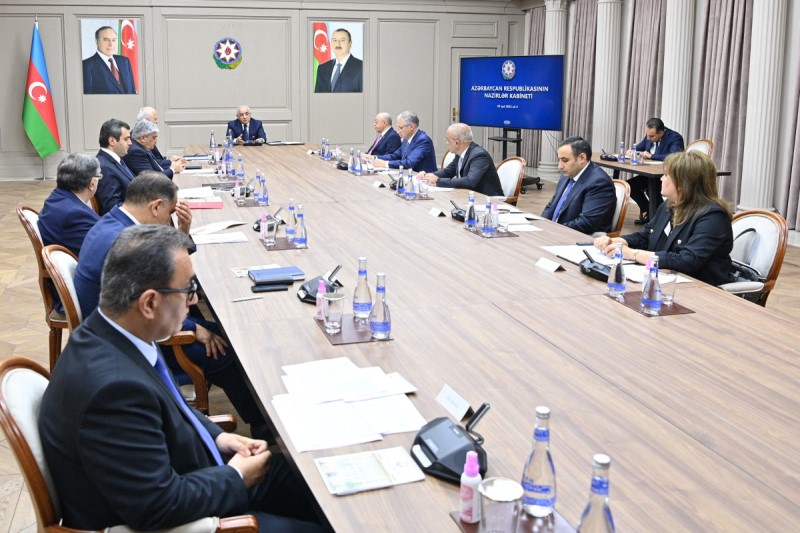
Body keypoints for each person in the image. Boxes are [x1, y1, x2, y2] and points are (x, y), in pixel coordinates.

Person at [39, 224, 324, 533]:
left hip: (191, 474)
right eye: (188, 289)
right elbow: (158, 506)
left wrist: (218, 438)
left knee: (314, 481)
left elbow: (172, 405)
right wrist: (237, 477)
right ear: (149, 303)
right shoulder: (114, 391)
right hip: (177, 517)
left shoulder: (117, 333)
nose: (194, 299)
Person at [73, 172, 268, 437]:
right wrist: (193, 328)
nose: (170, 220)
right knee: (225, 347)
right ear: (156, 206)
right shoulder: (127, 242)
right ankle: (264, 427)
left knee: (222, 331)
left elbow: (158, 275)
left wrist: (182, 233)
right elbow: (145, 307)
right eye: (171, 213)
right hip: (132, 345)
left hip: (116, 330)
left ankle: (260, 418)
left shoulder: (113, 223)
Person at [595, 151, 733, 286]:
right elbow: (646, 236)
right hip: (665, 281)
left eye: (666, 175)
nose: (661, 179)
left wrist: (632, 254)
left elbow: (687, 261)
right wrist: (618, 242)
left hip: (701, 289)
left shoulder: (713, 217)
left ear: (683, 183)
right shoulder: (669, 205)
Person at [541, 136, 616, 234]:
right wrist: (541, 225)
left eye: (565, 160)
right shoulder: (566, 175)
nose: (560, 166)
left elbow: (586, 223)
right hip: (556, 232)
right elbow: (551, 206)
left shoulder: (599, 182)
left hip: (579, 237)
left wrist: (553, 229)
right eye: (559, 160)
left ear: (582, 158)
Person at [38, 153, 101, 256]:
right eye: (99, 176)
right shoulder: (75, 214)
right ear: (92, 184)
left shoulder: (56, 197)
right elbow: (99, 251)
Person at [418, 123, 503, 197]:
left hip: (488, 201)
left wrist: (438, 181)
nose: (446, 143)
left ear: (456, 143)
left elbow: (470, 181)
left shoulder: (479, 156)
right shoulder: (460, 154)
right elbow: (448, 171)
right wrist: (429, 176)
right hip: (469, 196)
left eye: (447, 140)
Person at [627, 117, 685, 224]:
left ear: (661, 133)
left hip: (667, 176)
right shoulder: (649, 136)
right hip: (650, 174)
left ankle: (660, 220)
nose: (648, 138)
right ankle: (652, 215)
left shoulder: (675, 138)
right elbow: (639, 147)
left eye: (652, 136)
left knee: (653, 188)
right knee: (629, 186)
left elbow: (675, 156)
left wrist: (652, 156)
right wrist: (631, 151)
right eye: (647, 135)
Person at [369, 111, 438, 173]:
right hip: (408, 175)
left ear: (411, 127)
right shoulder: (406, 139)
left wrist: (385, 164)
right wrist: (374, 158)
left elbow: (409, 163)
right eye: (398, 127)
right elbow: (394, 156)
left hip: (424, 179)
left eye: (401, 128)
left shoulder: (423, 140)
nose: (398, 131)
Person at [95, 118, 135, 215]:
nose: (130, 143)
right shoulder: (104, 167)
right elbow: (112, 206)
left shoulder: (116, 159)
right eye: (126, 139)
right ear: (112, 141)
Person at [82, 26, 136, 94]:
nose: (111, 44)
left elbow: (132, 90)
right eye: (106, 40)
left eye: (113, 40)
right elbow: (87, 97)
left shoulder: (125, 61)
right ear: (97, 41)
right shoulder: (87, 66)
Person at [314, 28, 362, 93]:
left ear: (350, 44)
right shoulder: (322, 68)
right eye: (335, 40)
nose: (338, 44)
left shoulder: (361, 67)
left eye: (342, 40)